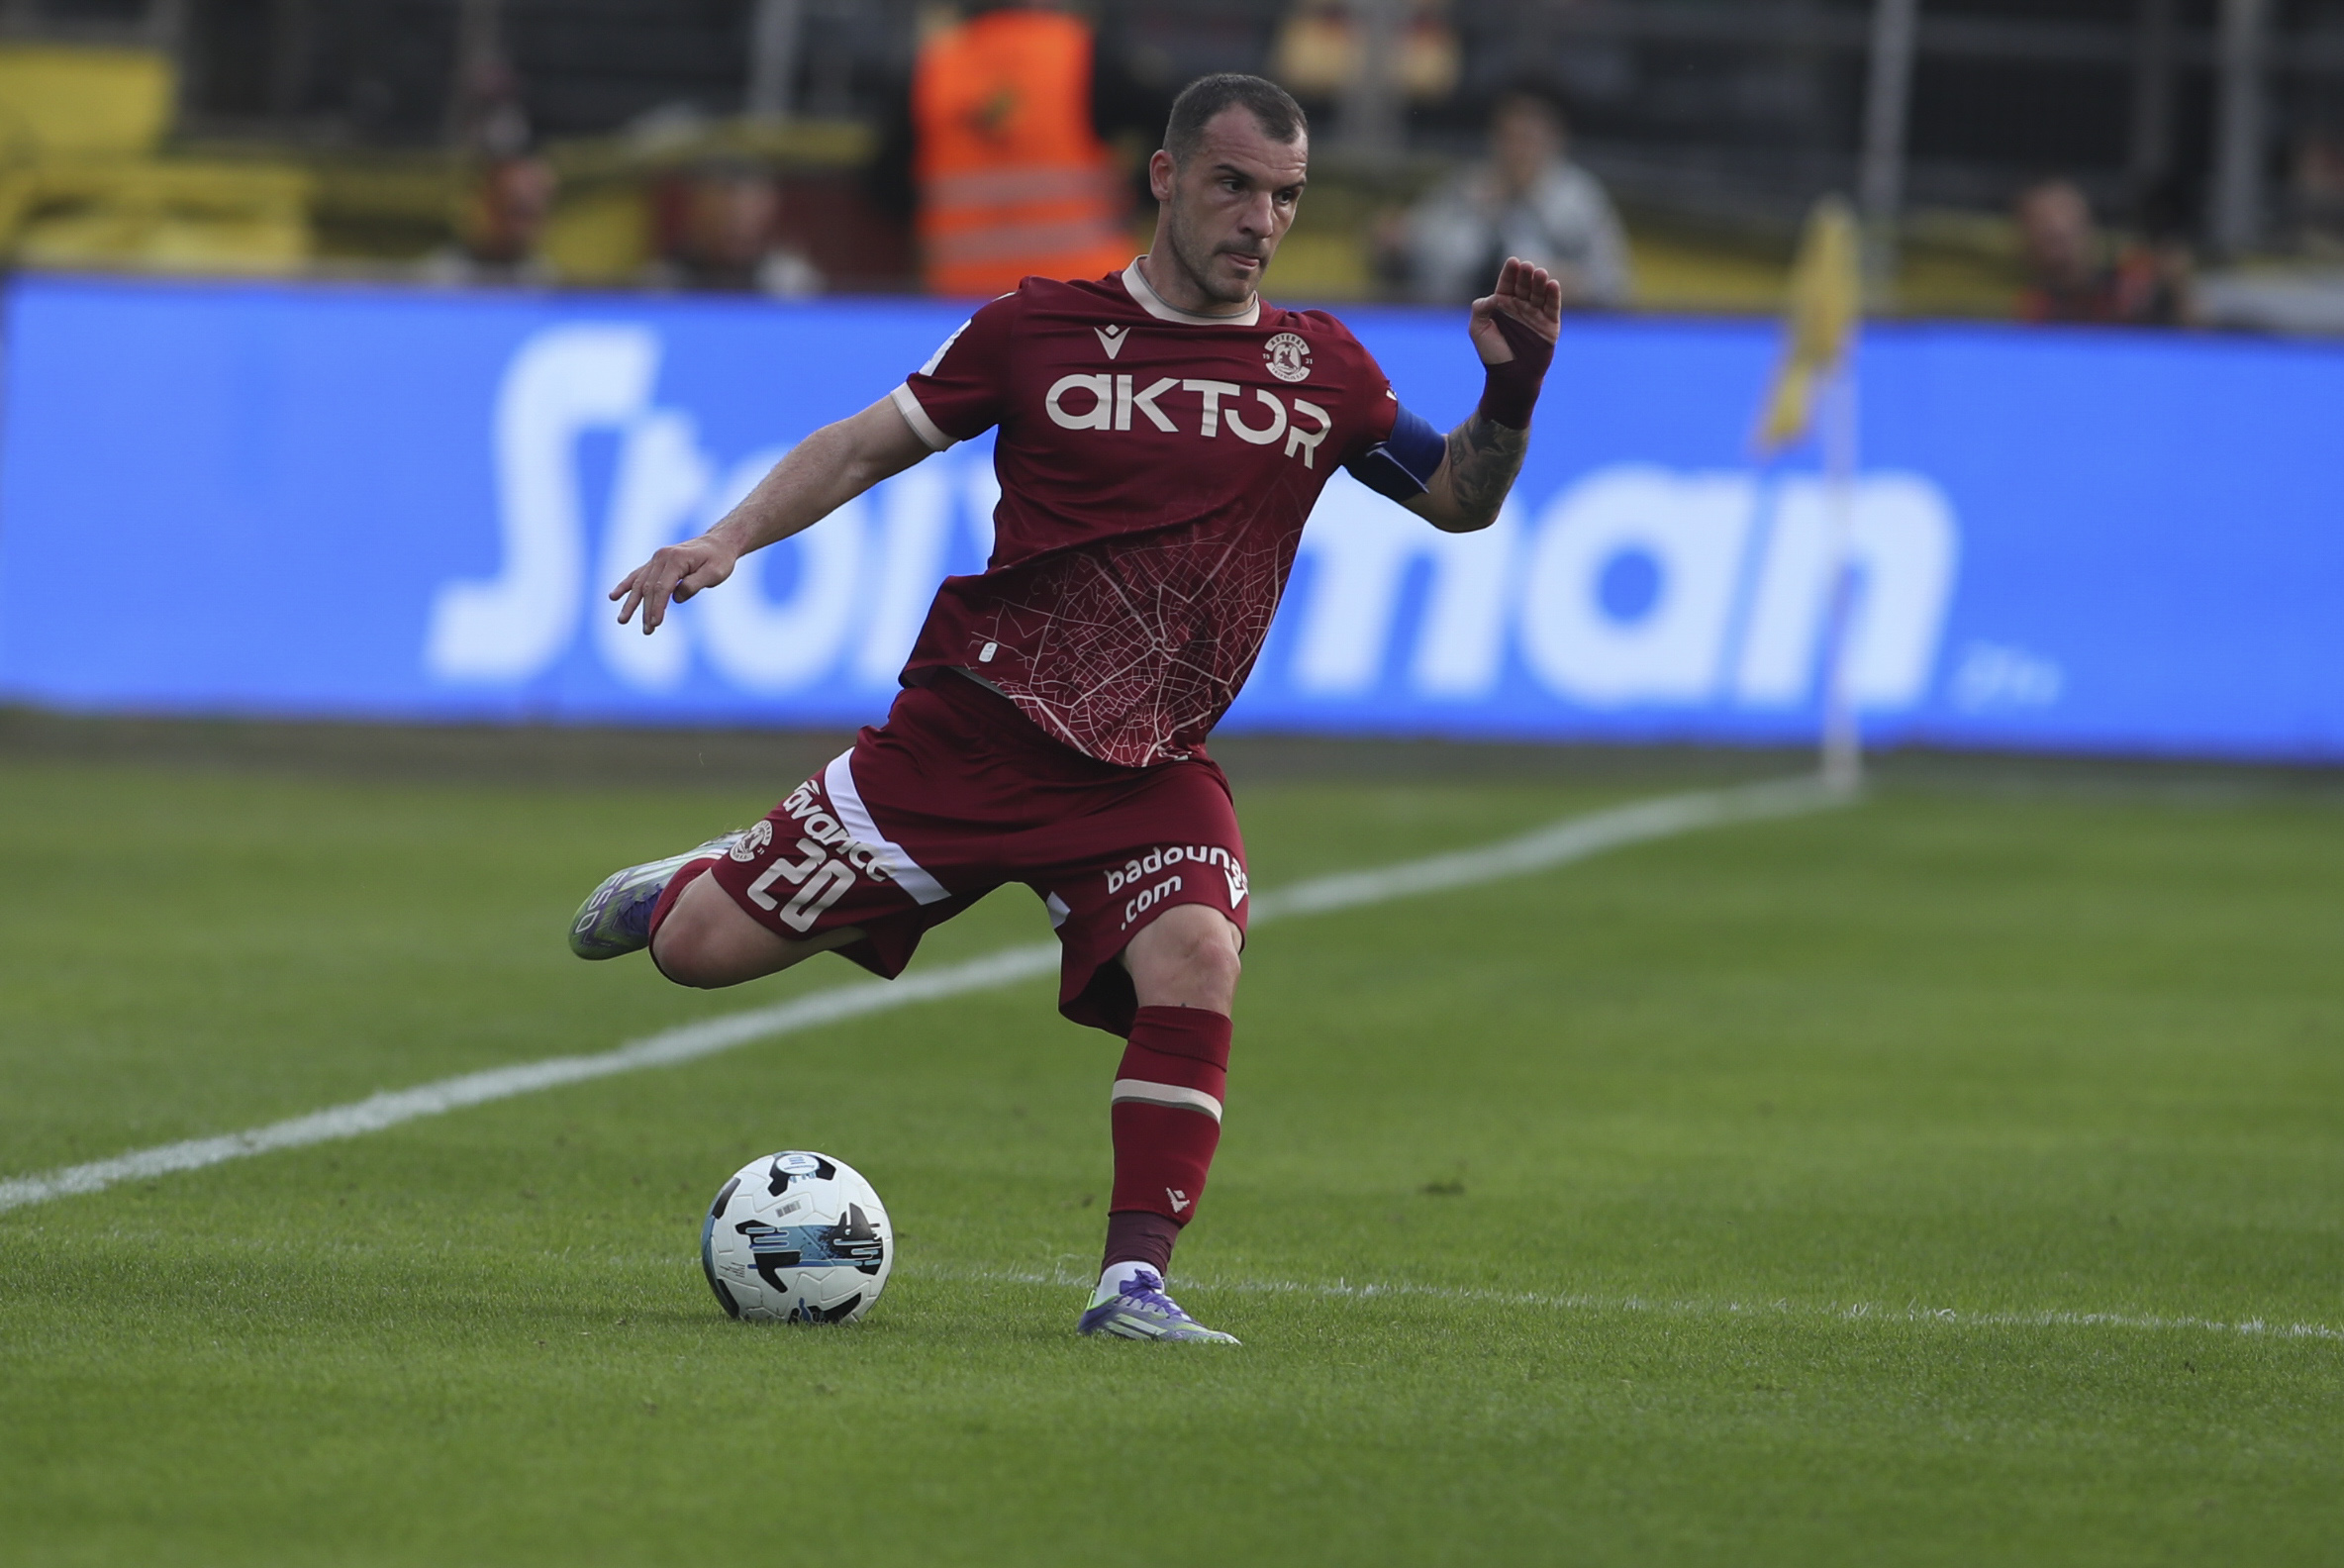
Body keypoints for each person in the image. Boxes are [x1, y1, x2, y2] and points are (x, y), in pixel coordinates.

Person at [569, 72, 1560, 1343]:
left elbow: (1460, 500)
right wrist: (724, 539)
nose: (1260, 220)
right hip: (968, 738)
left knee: (1198, 956)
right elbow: (865, 443)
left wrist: (1512, 396)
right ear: (1165, 176)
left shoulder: (1319, 368)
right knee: (700, 954)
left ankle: (1132, 1284)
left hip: (1145, 771)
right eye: (1234, 186)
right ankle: (693, 882)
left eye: (1286, 196)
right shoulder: (1037, 330)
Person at [1389, 90, 1628, 308]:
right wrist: (1400, 243)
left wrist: (1569, 283)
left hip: (1555, 326)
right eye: (1509, 137)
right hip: (1457, 321)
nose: (1518, 150)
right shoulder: (1464, 188)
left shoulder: (1580, 200)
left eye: (1528, 139)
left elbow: (1613, 284)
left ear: (1554, 140)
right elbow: (1417, 248)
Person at [2014, 177, 2186, 327]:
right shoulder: (2032, 311)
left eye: (2063, 211)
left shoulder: (2133, 287)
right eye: (2041, 218)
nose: (2055, 227)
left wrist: (2177, 290)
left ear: (2088, 221)